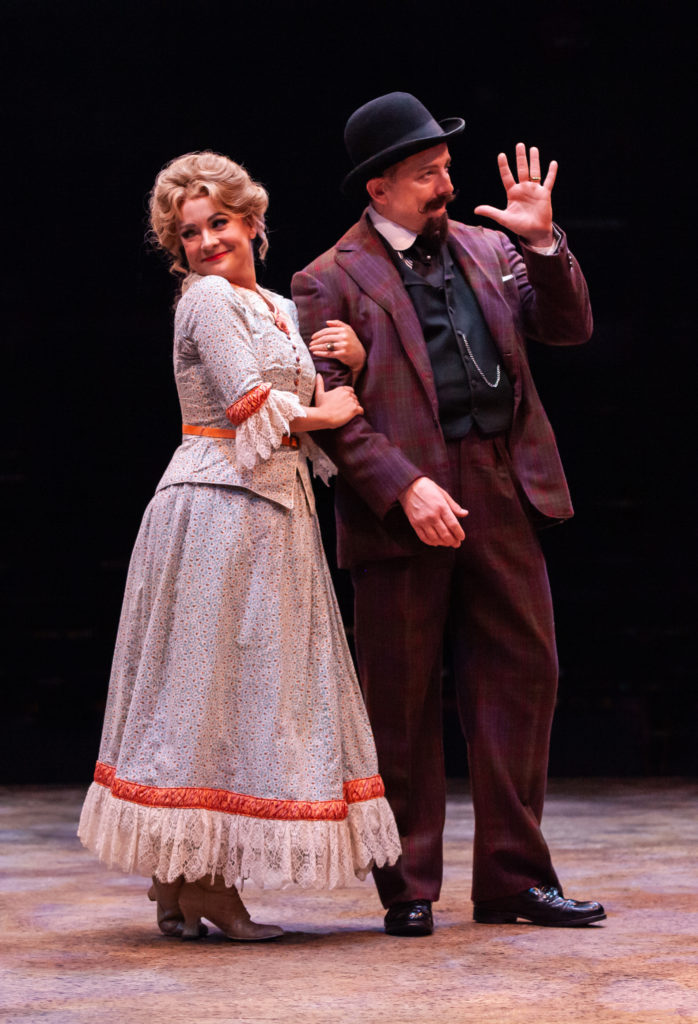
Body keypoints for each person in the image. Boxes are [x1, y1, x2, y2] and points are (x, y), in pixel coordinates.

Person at [291, 92, 605, 935]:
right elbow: (330, 401)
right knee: (401, 697)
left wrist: (541, 241)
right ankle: (411, 885)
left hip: (499, 482)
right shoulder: (326, 278)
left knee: (521, 675)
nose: (445, 184)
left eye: (444, 169)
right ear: (379, 187)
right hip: (401, 504)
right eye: (426, 174)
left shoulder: (485, 247)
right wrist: (403, 486)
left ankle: (513, 879)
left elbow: (567, 327)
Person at [78, 151, 401, 941]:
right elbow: (252, 405)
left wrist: (348, 367)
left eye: (217, 223)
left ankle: (180, 881)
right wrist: (327, 411)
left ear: (252, 221)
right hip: (216, 507)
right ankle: (205, 884)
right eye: (188, 232)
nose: (205, 241)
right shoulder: (208, 301)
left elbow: (309, 392)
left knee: (234, 693)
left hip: (271, 511)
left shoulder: (278, 307)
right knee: (206, 694)